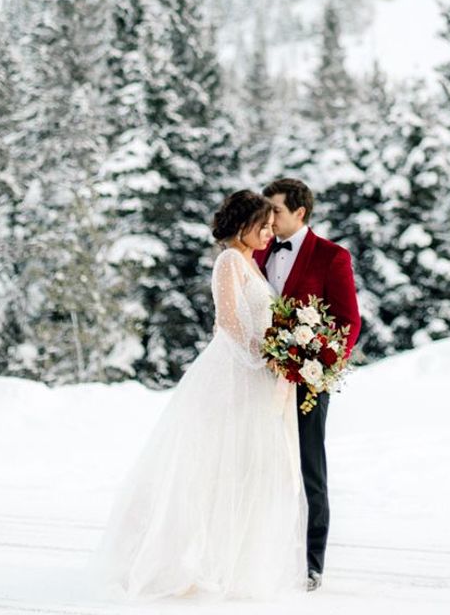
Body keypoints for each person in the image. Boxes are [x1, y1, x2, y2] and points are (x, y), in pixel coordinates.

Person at [87, 190, 309, 601]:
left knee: (249, 466)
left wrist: (280, 354)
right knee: (214, 464)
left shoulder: (252, 263)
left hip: (256, 374)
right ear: (243, 225)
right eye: (262, 225)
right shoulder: (229, 261)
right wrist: (266, 357)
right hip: (234, 371)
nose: (268, 232)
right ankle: (183, 561)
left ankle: (231, 561)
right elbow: (228, 321)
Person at [255, 177, 362, 592]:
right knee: (262, 464)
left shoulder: (331, 257)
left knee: (308, 469)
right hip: (261, 378)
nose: (269, 218)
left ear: (299, 212)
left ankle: (311, 562)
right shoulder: (258, 250)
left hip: (307, 381)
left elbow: (347, 321)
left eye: (276, 211)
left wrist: (316, 366)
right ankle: (264, 554)